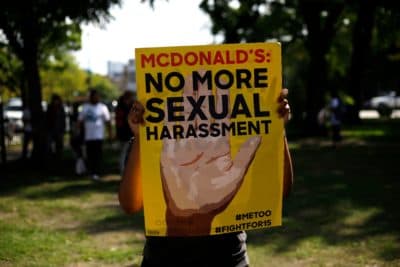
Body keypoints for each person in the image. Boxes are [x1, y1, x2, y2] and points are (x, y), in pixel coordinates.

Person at [119, 89, 293, 267]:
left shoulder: (237, 137)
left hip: (229, 258)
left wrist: (278, 128)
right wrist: (141, 138)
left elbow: (282, 190)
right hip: (162, 259)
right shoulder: (152, 141)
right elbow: (130, 204)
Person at [78, 89, 112, 180]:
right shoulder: (85, 107)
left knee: (98, 155)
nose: (95, 98)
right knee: (90, 155)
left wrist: (110, 134)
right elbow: (80, 121)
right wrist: (79, 133)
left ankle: (97, 172)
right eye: (93, 96)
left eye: (97, 96)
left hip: (99, 136)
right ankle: (91, 172)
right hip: (88, 136)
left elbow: (108, 121)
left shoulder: (103, 107)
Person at [115, 91, 134, 174]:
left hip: (126, 133)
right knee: (124, 153)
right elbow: (121, 123)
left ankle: (125, 170)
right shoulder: (123, 108)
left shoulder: (123, 107)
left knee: (126, 153)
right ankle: (123, 171)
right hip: (125, 133)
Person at [45, 94, 66, 160]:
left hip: (59, 129)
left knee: (59, 145)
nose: (56, 102)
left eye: (57, 100)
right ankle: (50, 158)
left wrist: (63, 129)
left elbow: (63, 119)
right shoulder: (50, 108)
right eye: (55, 100)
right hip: (51, 129)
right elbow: (47, 119)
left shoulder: (61, 108)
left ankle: (58, 158)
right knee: (48, 146)